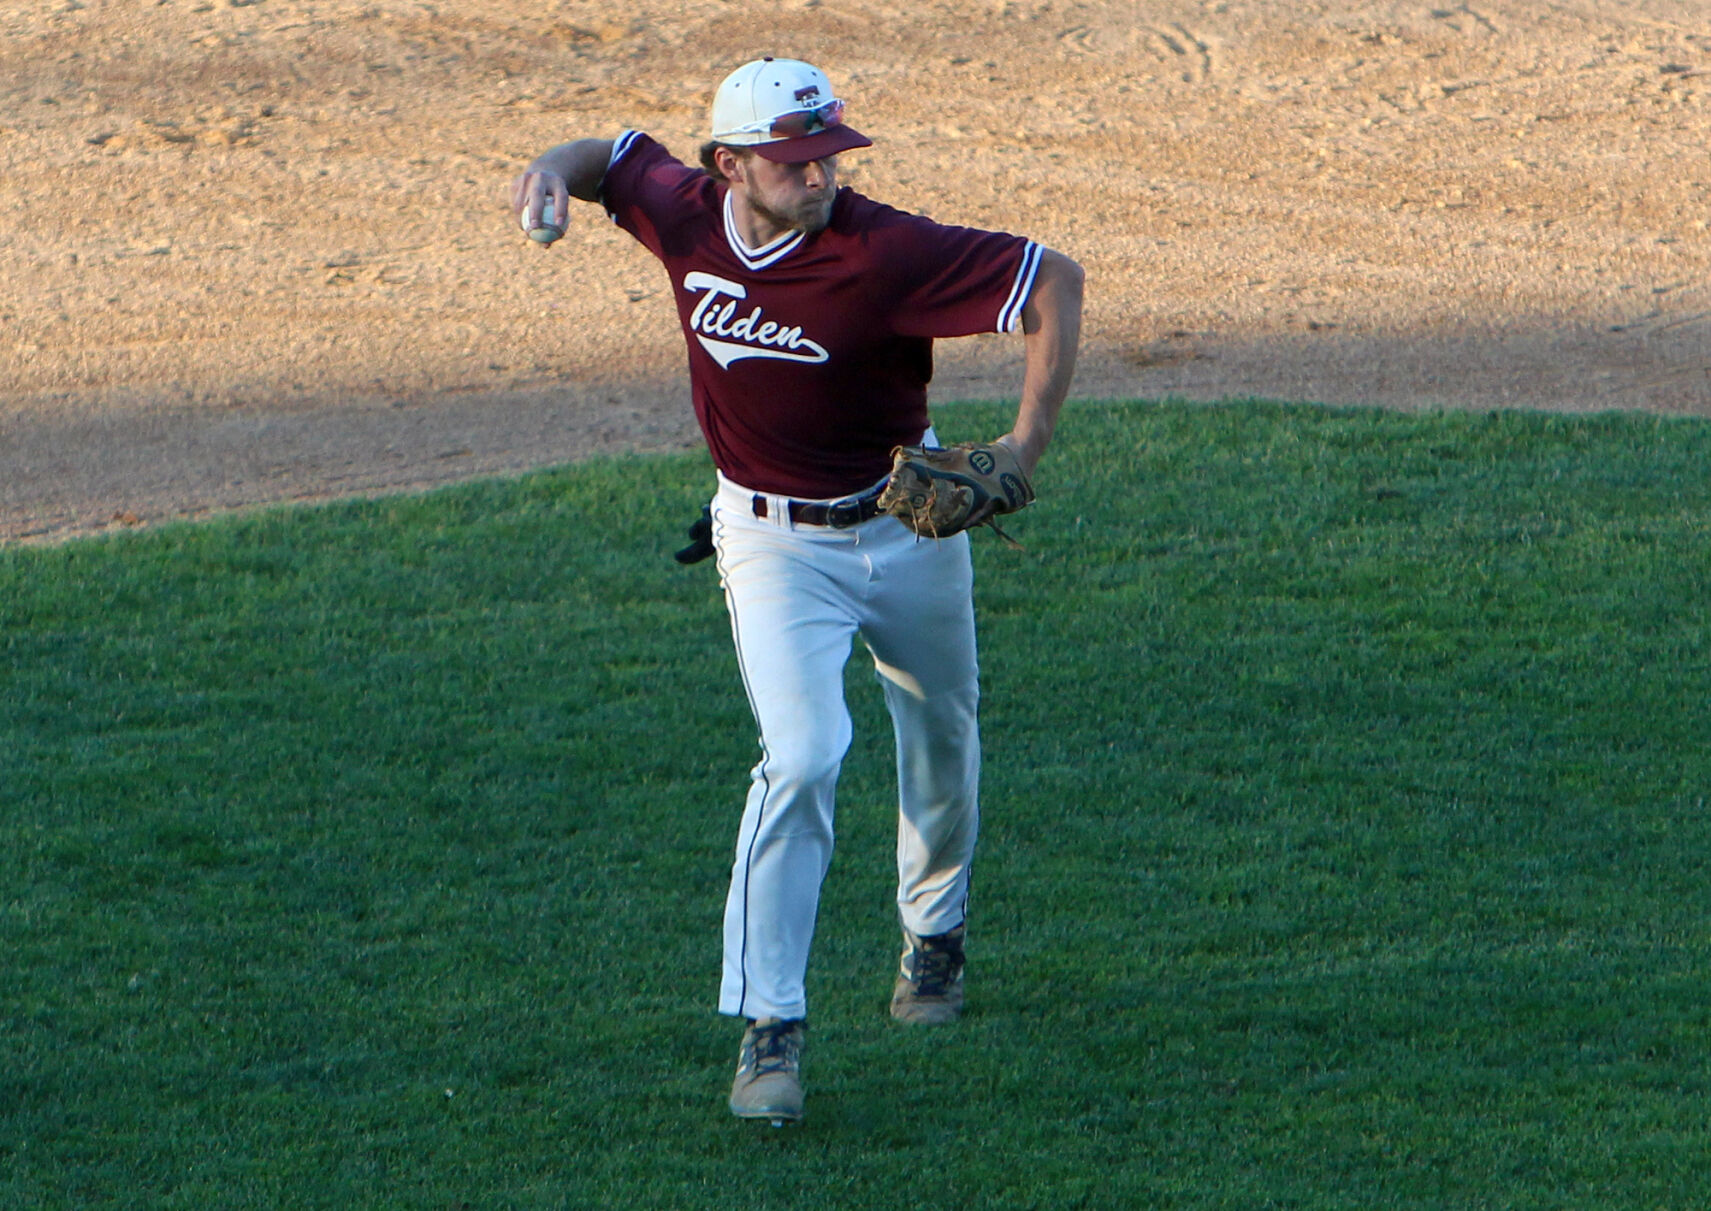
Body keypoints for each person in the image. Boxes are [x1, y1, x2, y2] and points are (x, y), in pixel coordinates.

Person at [511, 56, 1083, 1125]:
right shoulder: (682, 213)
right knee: (804, 752)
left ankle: (934, 935)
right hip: (772, 548)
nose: (820, 175)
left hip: (909, 530)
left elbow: (1053, 278)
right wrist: (551, 166)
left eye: (829, 153)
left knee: (943, 734)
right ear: (729, 166)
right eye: (794, 159)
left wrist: (1022, 448)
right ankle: (770, 1025)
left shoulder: (885, 250)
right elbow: (612, 160)